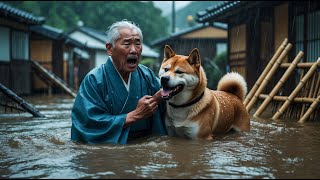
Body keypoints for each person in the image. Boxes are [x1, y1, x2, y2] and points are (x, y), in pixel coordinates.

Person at [71, 20, 167, 144]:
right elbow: (87, 123)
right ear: (110, 48)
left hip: (145, 144)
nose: (134, 50)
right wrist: (134, 115)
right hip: (110, 150)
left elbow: (169, 106)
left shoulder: (146, 75)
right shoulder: (94, 80)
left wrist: (160, 97)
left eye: (137, 44)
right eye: (127, 44)